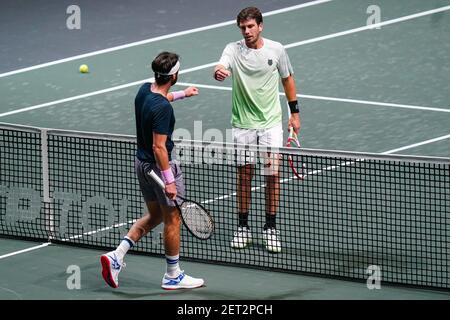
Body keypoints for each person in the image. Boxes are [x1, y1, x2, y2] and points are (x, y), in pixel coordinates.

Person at [100, 51, 204, 290]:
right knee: (172, 219)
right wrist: (169, 181)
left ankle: (117, 255)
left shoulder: (144, 89)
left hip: (142, 166)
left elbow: (161, 98)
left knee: (156, 215)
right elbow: (159, 147)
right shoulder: (163, 110)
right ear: (174, 75)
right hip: (159, 168)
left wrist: (182, 94)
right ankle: (173, 275)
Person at [213, 7, 301, 253]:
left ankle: (270, 228)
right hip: (243, 124)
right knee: (244, 176)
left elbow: (288, 79)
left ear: (260, 26)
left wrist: (295, 114)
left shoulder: (277, 49)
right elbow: (222, 65)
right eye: (243, 27)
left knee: (272, 176)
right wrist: (219, 71)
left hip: (271, 123)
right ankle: (243, 227)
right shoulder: (233, 49)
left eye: (251, 26)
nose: (247, 31)